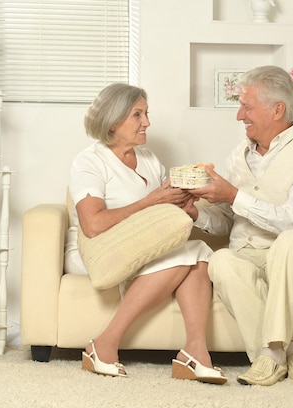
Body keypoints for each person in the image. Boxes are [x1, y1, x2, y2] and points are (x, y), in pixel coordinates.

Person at [65, 83, 226, 384]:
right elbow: (93, 225)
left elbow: (160, 218)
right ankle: (105, 343)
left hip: (142, 247)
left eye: (146, 113)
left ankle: (196, 350)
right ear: (113, 121)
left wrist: (185, 204)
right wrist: (151, 201)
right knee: (195, 253)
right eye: (137, 115)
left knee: (199, 252)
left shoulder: (150, 160)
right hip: (97, 250)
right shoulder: (90, 161)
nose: (147, 122)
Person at [186, 65, 293, 386]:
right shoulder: (239, 154)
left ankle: (270, 353)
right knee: (222, 260)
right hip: (247, 253)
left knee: (290, 241)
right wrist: (195, 213)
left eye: (247, 106)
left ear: (276, 109)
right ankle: (286, 353)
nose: (240, 115)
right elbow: (228, 219)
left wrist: (233, 194)